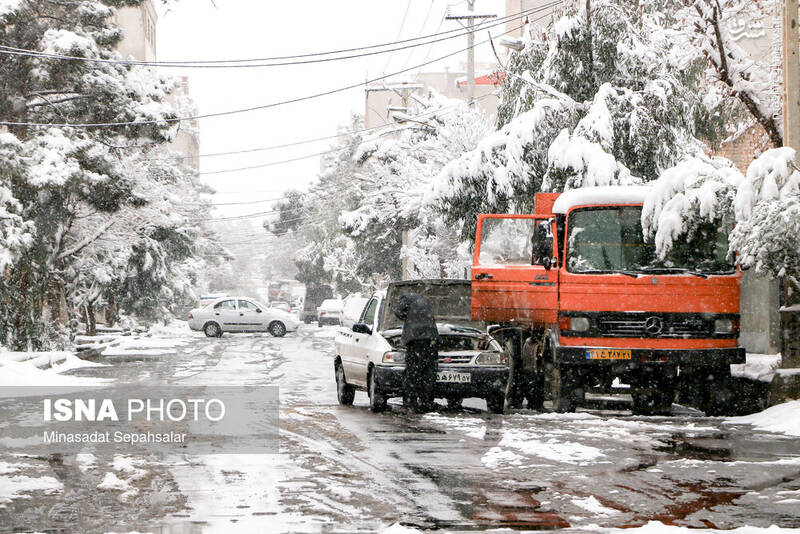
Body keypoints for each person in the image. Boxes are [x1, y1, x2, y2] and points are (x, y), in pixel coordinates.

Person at [394, 292, 440, 412]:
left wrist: (406, 316)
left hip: (415, 341)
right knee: (428, 373)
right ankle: (426, 403)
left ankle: (410, 403)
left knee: (412, 374)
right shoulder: (424, 301)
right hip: (431, 340)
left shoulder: (405, 298)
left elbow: (398, 313)